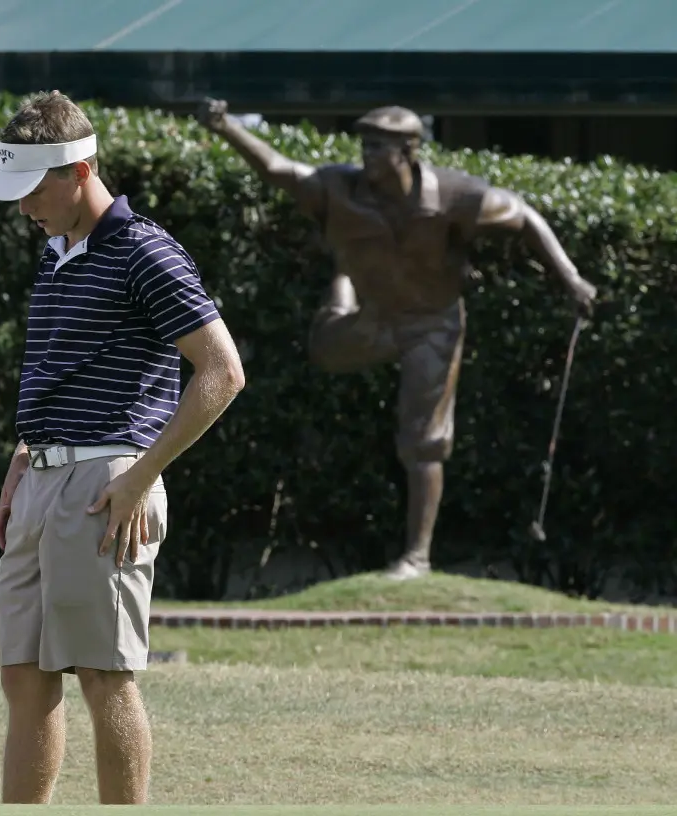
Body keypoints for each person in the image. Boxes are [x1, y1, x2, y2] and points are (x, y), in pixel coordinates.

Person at [197, 100, 597, 581]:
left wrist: (571, 279)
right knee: (324, 350)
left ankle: (417, 557)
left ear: (409, 150)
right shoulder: (337, 188)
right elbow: (278, 168)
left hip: (433, 323)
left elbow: (525, 216)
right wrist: (224, 127)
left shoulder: (453, 195)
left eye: (378, 146)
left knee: (424, 440)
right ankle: (343, 290)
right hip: (375, 318)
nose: (366, 154)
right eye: (364, 143)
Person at [0, 91, 245, 805]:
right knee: (24, 679)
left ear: (81, 169)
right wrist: (20, 462)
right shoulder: (55, 249)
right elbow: (55, 370)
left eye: (36, 188)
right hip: (43, 476)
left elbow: (222, 372)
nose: (25, 205)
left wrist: (140, 478)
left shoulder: (144, 251)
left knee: (103, 675)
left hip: (108, 482)